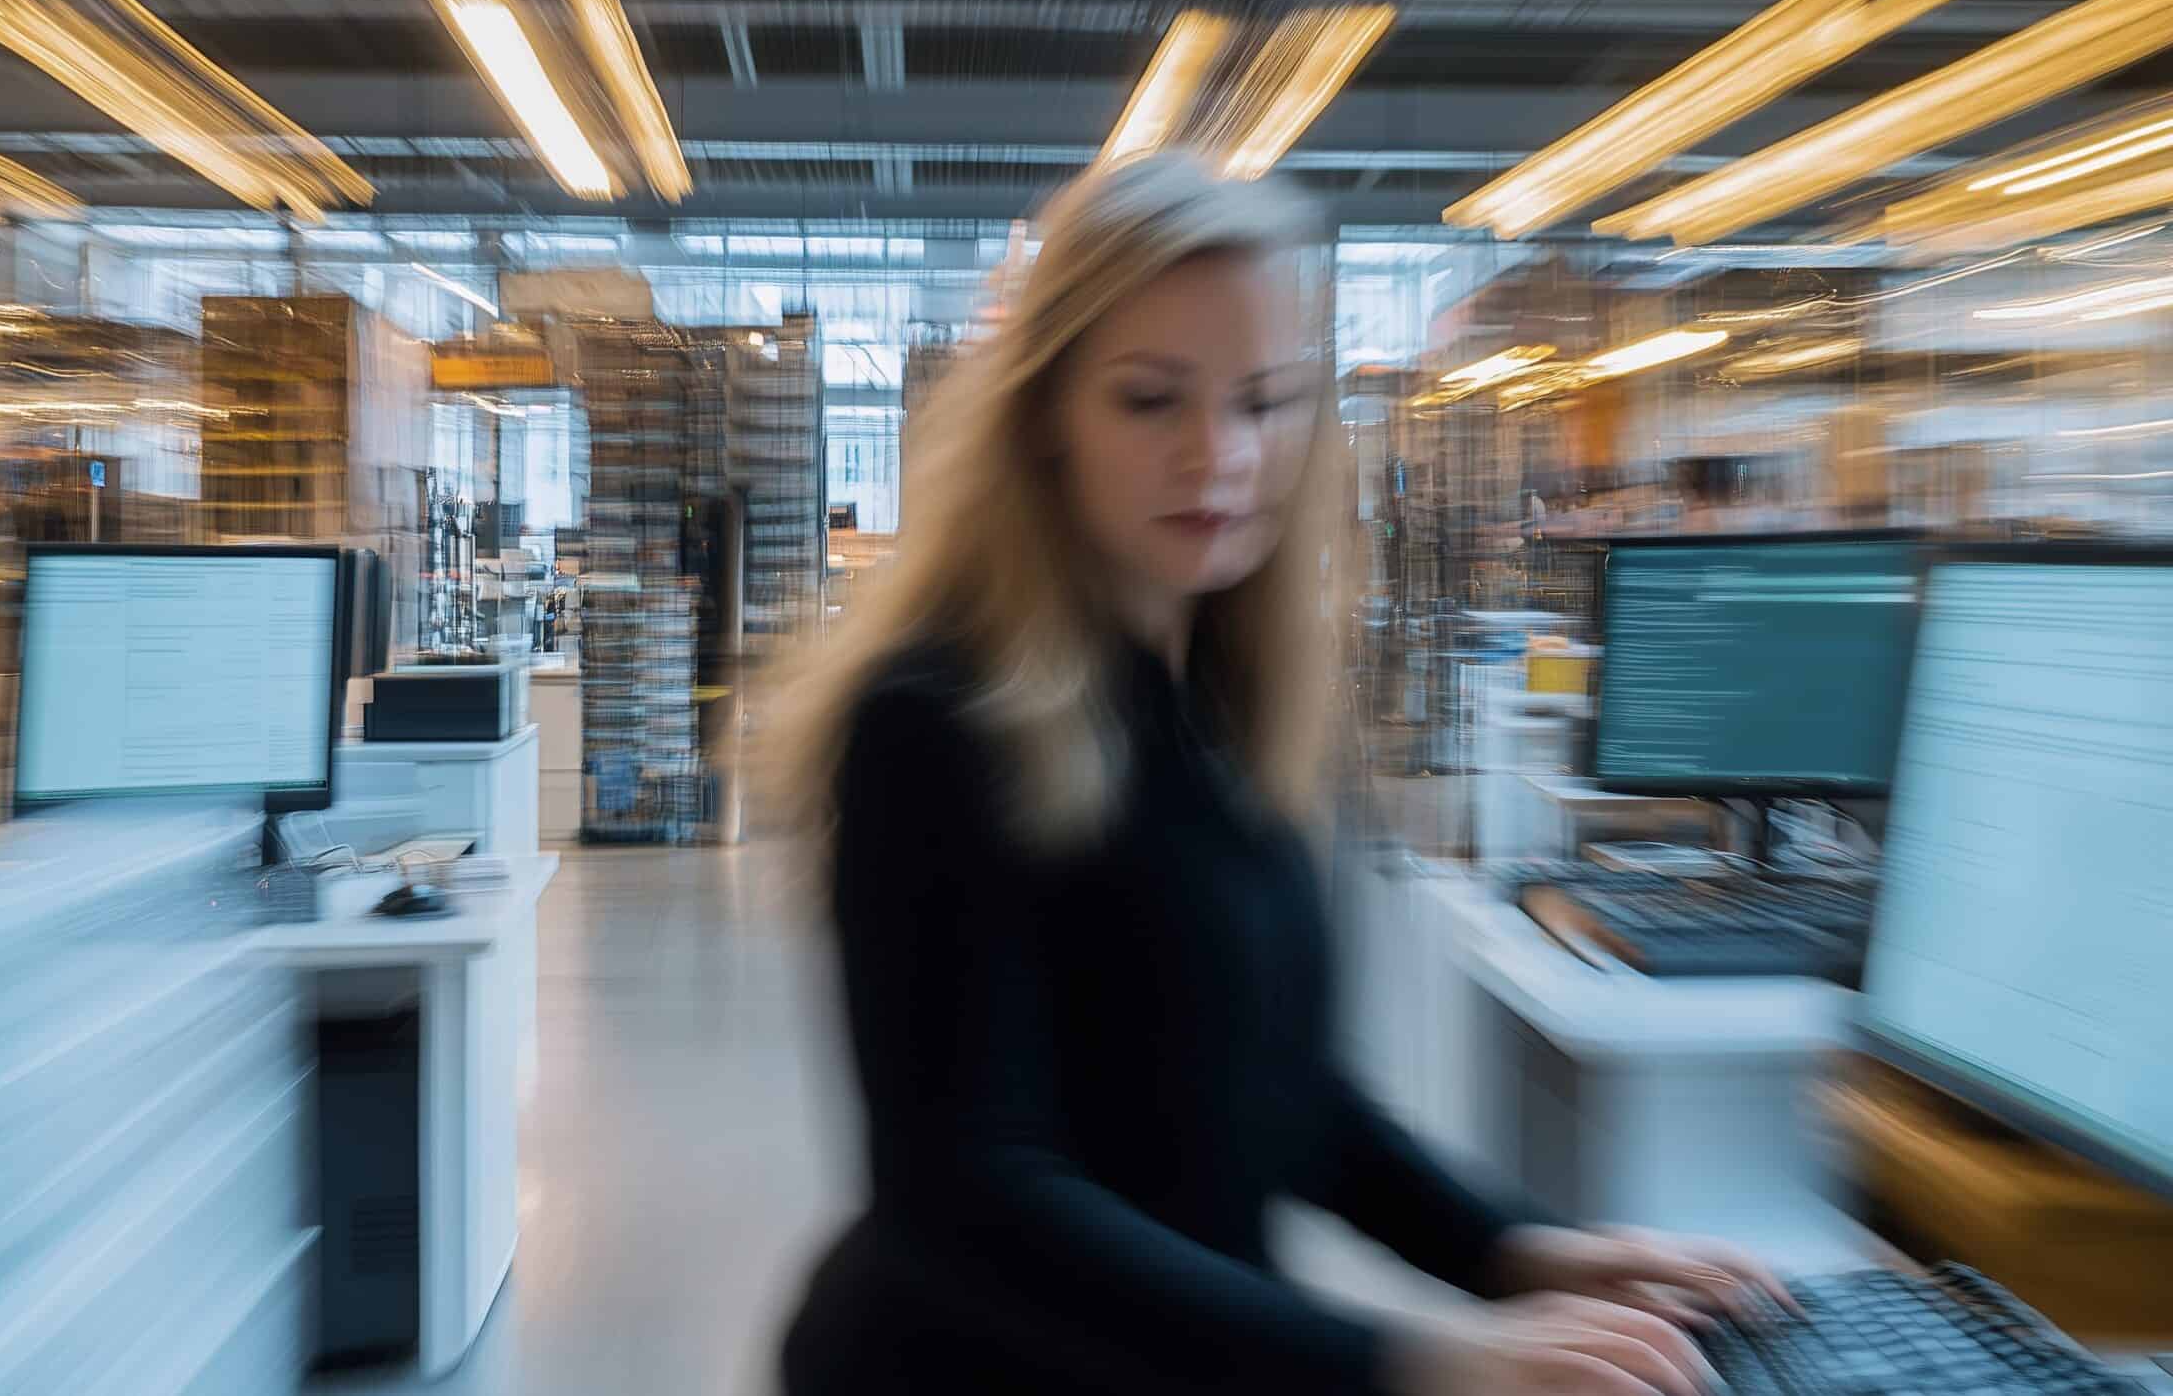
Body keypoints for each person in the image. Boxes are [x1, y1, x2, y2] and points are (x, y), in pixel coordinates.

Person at [767, 153, 1792, 1396]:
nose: (1219, 455)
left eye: (1264, 402)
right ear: (1043, 419)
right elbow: (968, 1192)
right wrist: (1414, 1360)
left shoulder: (1228, 708)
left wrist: (1523, 1257)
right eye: (1151, 400)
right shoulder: (934, 721)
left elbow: (1279, 1089)